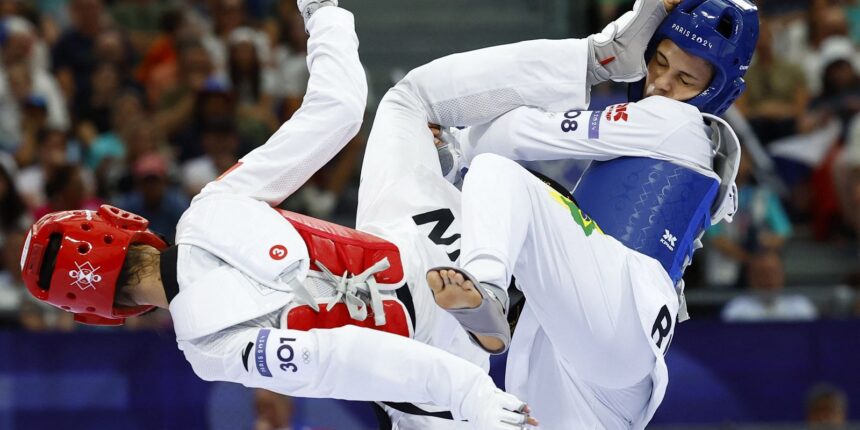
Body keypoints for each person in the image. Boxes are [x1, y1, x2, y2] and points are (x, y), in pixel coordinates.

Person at [18, 2, 534, 429]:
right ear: (123, 225)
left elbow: (341, 359)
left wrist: (472, 398)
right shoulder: (212, 206)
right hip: (438, 246)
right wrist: (322, 11)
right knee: (409, 102)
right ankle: (590, 66)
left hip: (440, 385)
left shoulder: (206, 346)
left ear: (99, 311)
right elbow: (338, 108)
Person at [395, 0, 756, 427]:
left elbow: (507, 139)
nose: (660, 84)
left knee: (498, 173)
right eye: (659, 62)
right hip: (611, 363)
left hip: (620, 309)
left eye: (684, 79)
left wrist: (457, 141)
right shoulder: (690, 147)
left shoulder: (673, 121)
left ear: (716, 90)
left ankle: (489, 288)